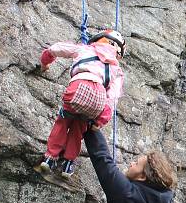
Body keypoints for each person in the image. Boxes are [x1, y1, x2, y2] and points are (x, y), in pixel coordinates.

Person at [39, 30, 126, 179]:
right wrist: (101, 120)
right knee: (79, 128)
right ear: (118, 52)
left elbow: (57, 49)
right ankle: (68, 163)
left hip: (78, 87)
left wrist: (45, 62)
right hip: (98, 97)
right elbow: (112, 97)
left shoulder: (85, 49)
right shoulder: (116, 70)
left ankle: (50, 157)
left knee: (63, 121)